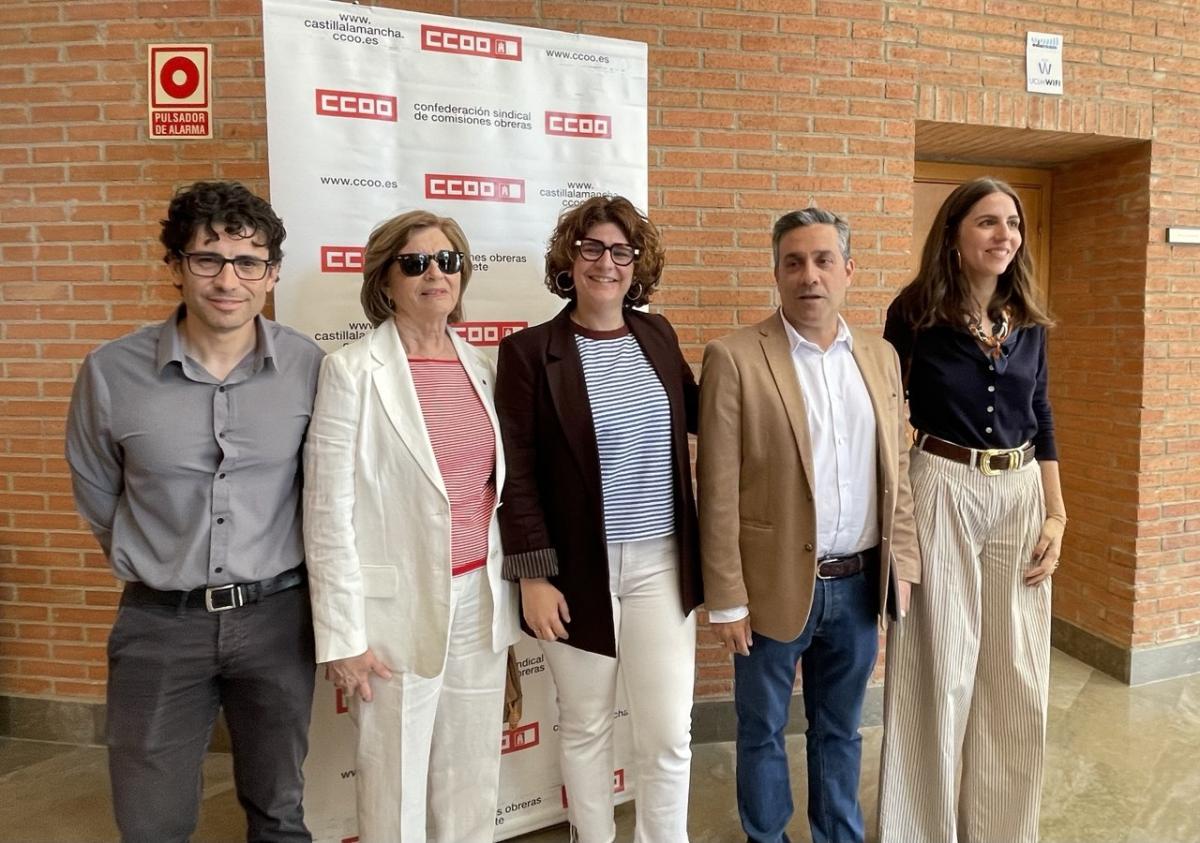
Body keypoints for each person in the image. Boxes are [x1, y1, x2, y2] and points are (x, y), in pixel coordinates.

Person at [65, 181, 322, 843]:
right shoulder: (110, 373)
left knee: (280, 812)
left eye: (247, 261)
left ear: (271, 274)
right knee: (152, 823)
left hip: (278, 622)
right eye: (207, 258)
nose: (227, 279)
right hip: (158, 623)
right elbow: (98, 491)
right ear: (175, 266)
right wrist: (159, 558)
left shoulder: (309, 368)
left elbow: (325, 492)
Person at [697, 207, 921, 843]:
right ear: (776, 272)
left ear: (848, 270)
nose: (809, 275)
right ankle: (766, 837)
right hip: (769, 587)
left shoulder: (880, 358)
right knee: (762, 729)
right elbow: (715, 488)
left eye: (824, 260)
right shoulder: (736, 357)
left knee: (841, 730)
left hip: (858, 586)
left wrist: (901, 566)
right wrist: (727, 598)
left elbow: (896, 473)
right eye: (793, 262)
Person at [302, 210, 519, 843]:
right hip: (392, 614)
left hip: (478, 598)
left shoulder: (484, 368)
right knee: (392, 778)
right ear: (385, 280)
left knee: (470, 772)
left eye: (447, 261)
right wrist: (342, 636)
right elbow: (327, 513)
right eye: (415, 262)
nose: (434, 273)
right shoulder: (350, 372)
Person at [494, 196, 702, 843]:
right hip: (574, 569)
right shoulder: (530, 352)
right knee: (584, 725)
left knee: (668, 733)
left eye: (620, 250)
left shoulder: (658, 337)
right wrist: (532, 575)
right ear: (569, 258)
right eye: (591, 248)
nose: (605, 262)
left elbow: (704, 420)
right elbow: (516, 472)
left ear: (636, 263)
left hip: (662, 562)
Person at [877, 177, 1065, 843]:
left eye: (1012, 223)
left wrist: (1056, 514)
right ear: (954, 235)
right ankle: (920, 830)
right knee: (939, 668)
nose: (1004, 235)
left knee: (1015, 672)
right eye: (987, 222)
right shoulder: (914, 312)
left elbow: (1041, 414)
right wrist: (895, 522)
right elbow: (882, 410)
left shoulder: (1029, 320)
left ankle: (1002, 830)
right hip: (941, 485)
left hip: (1018, 495)